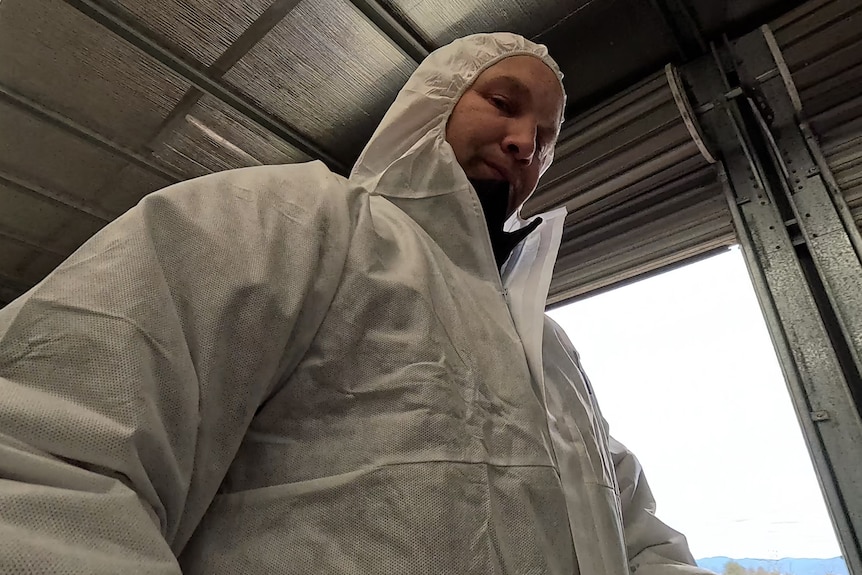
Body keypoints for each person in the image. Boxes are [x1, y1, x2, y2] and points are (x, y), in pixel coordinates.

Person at [0, 32, 710, 574]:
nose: (526, 142)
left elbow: (637, 534)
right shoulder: (294, 219)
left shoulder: (548, 350)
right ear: (433, 101)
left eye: (548, 136)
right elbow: (49, 449)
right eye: (502, 104)